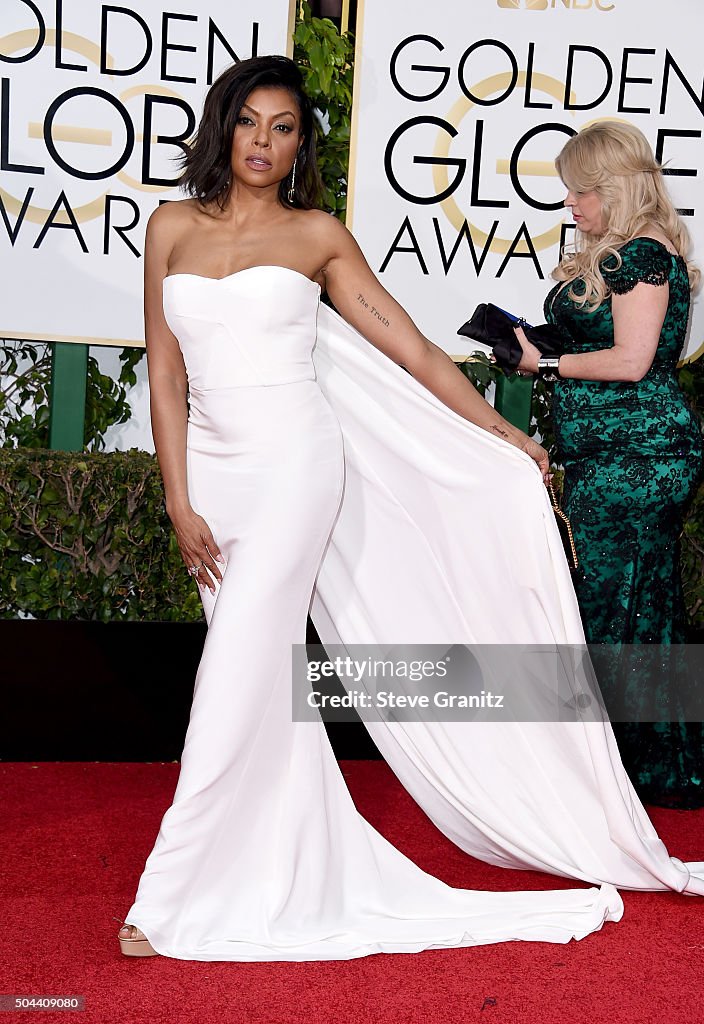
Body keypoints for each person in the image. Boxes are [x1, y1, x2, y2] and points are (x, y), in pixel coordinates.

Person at [117, 59, 702, 962]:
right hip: (214, 478)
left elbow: (417, 353)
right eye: (250, 124)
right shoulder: (168, 228)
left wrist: (505, 438)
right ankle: (284, 871)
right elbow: (164, 368)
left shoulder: (317, 235)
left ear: (300, 143)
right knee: (265, 680)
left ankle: (167, 894)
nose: (266, 143)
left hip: (295, 472)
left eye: (283, 128)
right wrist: (176, 493)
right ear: (222, 128)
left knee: (231, 671)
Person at [515, 121, 704, 810]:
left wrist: (548, 361)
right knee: (636, 606)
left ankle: (620, 770)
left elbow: (632, 360)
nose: (572, 204)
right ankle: (650, 766)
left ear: (616, 188)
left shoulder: (644, 255)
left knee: (614, 607)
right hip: (618, 455)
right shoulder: (624, 253)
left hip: (641, 457)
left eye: (583, 191)